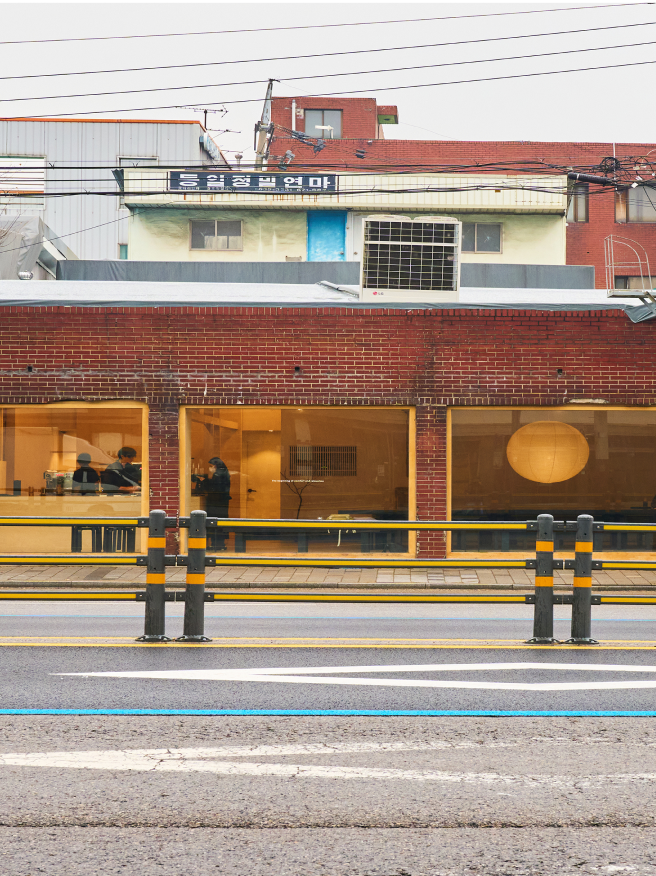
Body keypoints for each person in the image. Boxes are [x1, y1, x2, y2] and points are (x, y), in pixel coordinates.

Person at [194, 456, 231, 550]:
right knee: (220, 522)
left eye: (211, 466)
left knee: (214, 522)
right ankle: (219, 544)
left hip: (216, 503)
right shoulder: (224, 473)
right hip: (221, 502)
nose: (210, 468)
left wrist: (204, 481)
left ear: (216, 466)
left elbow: (214, 488)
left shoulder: (218, 475)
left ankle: (216, 544)